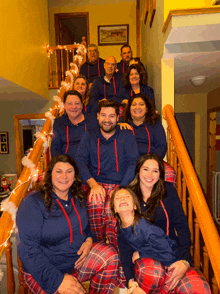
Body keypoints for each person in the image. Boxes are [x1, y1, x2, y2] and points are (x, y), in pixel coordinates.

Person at [16, 154, 123, 294]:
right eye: (58, 171)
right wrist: (57, 281)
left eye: (69, 171)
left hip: (75, 264)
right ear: (50, 174)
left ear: (75, 175)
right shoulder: (33, 202)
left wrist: (89, 240)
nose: (64, 176)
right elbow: (27, 250)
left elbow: (88, 228)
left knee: (110, 255)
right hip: (43, 272)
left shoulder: (79, 198)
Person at [122, 153, 211, 293]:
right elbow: (123, 242)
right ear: (138, 170)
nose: (150, 175)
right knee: (153, 273)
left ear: (160, 174)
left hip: (171, 252)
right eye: (145, 169)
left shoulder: (168, 190)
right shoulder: (127, 196)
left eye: (155, 171)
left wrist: (185, 261)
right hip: (144, 260)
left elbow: (182, 227)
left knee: (199, 288)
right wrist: (130, 282)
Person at [75, 100, 139, 246]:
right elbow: (79, 160)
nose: (107, 120)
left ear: (118, 118)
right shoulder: (89, 136)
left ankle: (118, 248)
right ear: (97, 116)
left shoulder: (126, 136)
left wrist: (122, 187)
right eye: (103, 115)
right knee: (95, 202)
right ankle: (99, 245)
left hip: (120, 184)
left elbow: (133, 162)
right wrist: (92, 184)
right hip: (96, 183)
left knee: (114, 209)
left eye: (111, 116)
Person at [111, 187, 179, 293]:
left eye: (127, 196)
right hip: (155, 263)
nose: (122, 199)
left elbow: (169, 254)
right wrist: (130, 281)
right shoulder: (121, 230)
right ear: (114, 209)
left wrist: (142, 253)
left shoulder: (145, 228)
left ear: (135, 206)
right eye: (118, 198)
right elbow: (125, 258)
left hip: (171, 263)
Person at [51, 90, 97, 161]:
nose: (73, 107)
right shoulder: (59, 123)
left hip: (89, 165)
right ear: (64, 106)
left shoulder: (93, 121)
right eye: (69, 104)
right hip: (66, 166)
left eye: (77, 103)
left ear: (82, 105)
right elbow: (55, 149)